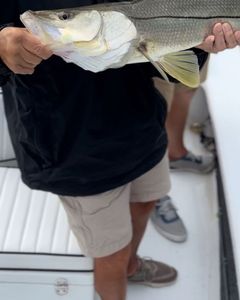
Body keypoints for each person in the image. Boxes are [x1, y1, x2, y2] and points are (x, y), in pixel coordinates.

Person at [0, 1, 239, 298]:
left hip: (143, 124)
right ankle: (119, 270)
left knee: (147, 200)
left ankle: (131, 265)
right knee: (110, 254)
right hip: (71, 148)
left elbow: (177, 64)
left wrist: (202, 43)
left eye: (65, 17)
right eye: (65, 16)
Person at [151, 22, 240, 243]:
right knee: (153, 106)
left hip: (198, 18)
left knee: (188, 87)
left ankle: (175, 152)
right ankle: (152, 194)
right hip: (152, 26)